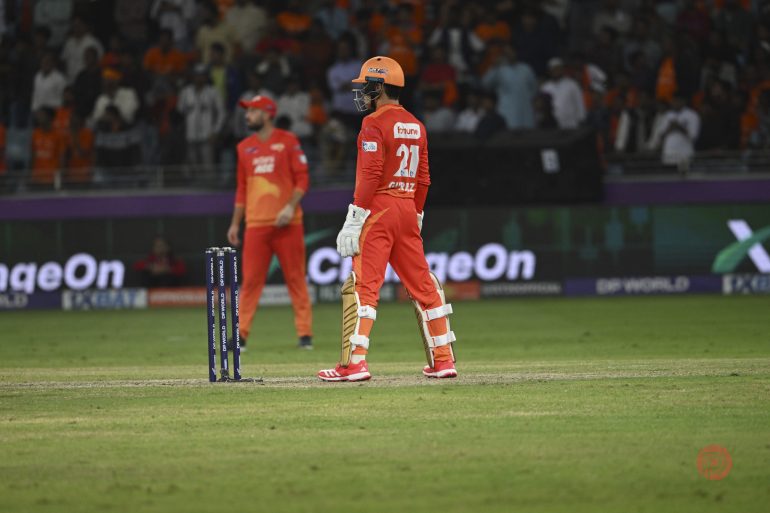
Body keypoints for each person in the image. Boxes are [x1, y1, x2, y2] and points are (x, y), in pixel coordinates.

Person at [318, 56, 458, 382]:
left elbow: (370, 174)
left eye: (366, 85)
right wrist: (417, 214)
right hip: (407, 207)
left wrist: (355, 217)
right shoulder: (417, 125)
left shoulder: (373, 124)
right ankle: (443, 359)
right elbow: (423, 178)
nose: (362, 92)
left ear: (379, 87)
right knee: (424, 286)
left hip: (378, 209)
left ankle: (355, 363)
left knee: (364, 286)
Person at [226, 94, 313, 350]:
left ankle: (305, 335)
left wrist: (289, 207)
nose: (247, 116)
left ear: (267, 113)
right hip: (256, 224)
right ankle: (240, 336)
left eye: (252, 111)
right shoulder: (244, 148)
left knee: (296, 279)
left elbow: (303, 180)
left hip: (288, 223)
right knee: (250, 282)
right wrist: (234, 223)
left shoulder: (288, 141)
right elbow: (242, 189)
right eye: (247, 111)